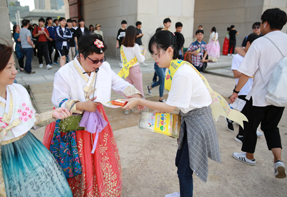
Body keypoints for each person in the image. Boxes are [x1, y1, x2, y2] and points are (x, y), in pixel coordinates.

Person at [123, 30, 221, 197]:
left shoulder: (181, 72)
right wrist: (158, 106)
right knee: (181, 163)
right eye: (153, 55)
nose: (155, 58)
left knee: (184, 171)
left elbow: (169, 107)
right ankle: (183, 193)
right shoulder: (178, 67)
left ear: (169, 50)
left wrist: (139, 101)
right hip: (193, 121)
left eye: (157, 54)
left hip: (197, 124)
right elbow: (173, 102)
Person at [49, 33, 142, 196]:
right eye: (94, 60)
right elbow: (59, 100)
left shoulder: (103, 68)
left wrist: (136, 95)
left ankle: (98, 189)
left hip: (96, 118)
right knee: (78, 160)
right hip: (73, 122)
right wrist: (80, 105)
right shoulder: (64, 73)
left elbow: (118, 83)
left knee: (100, 156)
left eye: (102, 59)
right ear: (81, 55)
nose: (99, 64)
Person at [0, 41, 73, 196]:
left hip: (29, 148)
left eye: (13, 65)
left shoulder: (18, 90)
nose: (14, 71)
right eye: (8, 67)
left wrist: (53, 114)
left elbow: (31, 120)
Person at [230, 8, 287, 179]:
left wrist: (235, 91)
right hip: (279, 96)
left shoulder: (260, 43)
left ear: (266, 23)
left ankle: (249, 156)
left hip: (259, 97)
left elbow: (246, 72)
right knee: (271, 127)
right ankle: (278, 161)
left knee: (249, 125)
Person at [227, 33, 263, 141]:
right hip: (242, 89)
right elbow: (236, 73)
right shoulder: (237, 57)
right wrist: (249, 73)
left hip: (252, 89)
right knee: (244, 113)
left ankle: (231, 119)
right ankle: (241, 134)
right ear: (248, 43)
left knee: (244, 111)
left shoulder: (253, 57)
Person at [120, 25, 146, 114]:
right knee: (139, 90)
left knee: (128, 90)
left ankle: (128, 108)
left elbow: (122, 59)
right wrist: (144, 54)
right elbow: (141, 59)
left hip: (127, 70)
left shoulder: (122, 46)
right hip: (135, 69)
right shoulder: (135, 46)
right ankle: (143, 107)